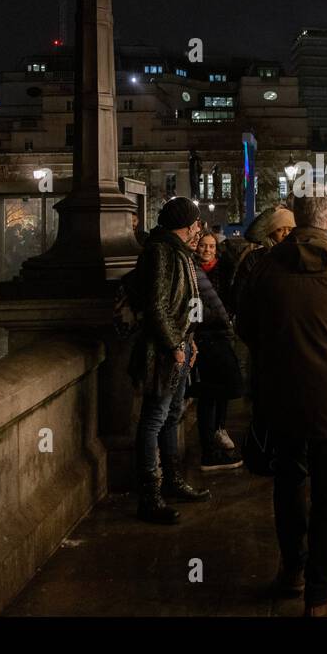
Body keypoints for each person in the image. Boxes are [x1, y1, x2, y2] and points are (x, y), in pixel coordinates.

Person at [237, 187, 327, 617]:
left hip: (279, 402)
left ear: (297, 221)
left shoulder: (263, 268)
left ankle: (292, 571)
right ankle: (319, 594)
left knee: (288, 484)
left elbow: (245, 327)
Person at [132, 197, 211, 523]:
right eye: (195, 223)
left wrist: (189, 342)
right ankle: (150, 494)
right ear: (187, 224)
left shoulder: (178, 251)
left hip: (180, 346)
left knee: (171, 413)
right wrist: (174, 345)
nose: (198, 228)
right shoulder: (161, 251)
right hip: (164, 352)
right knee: (155, 417)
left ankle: (173, 481)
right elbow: (156, 304)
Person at [192, 231, 244, 470]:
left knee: (221, 389)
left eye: (211, 246)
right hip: (205, 338)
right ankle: (209, 446)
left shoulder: (225, 269)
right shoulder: (194, 272)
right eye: (203, 245)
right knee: (210, 392)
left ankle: (218, 429)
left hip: (222, 335)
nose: (207, 250)